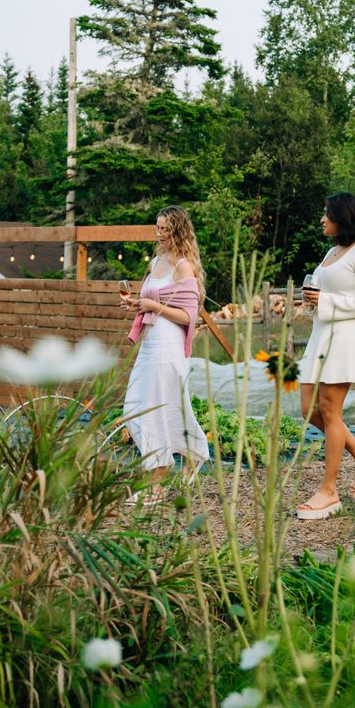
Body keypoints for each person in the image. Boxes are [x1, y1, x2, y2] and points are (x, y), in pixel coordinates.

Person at [297, 191, 355, 520]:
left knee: (331, 413)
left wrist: (327, 303)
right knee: (309, 409)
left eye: (327, 213)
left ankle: (328, 492)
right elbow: (324, 293)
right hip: (320, 337)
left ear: (342, 216)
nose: (322, 219)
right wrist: (313, 301)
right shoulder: (332, 252)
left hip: (344, 339)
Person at [120, 205, 209, 507]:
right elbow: (152, 301)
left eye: (165, 229)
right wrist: (136, 305)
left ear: (178, 231)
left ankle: (157, 481)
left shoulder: (183, 266)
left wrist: (153, 306)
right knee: (134, 405)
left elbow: (188, 316)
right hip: (150, 343)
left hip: (169, 345)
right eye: (157, 228)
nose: (159, 234)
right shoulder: (157, 260)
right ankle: (194, 450)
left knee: (156, 409)